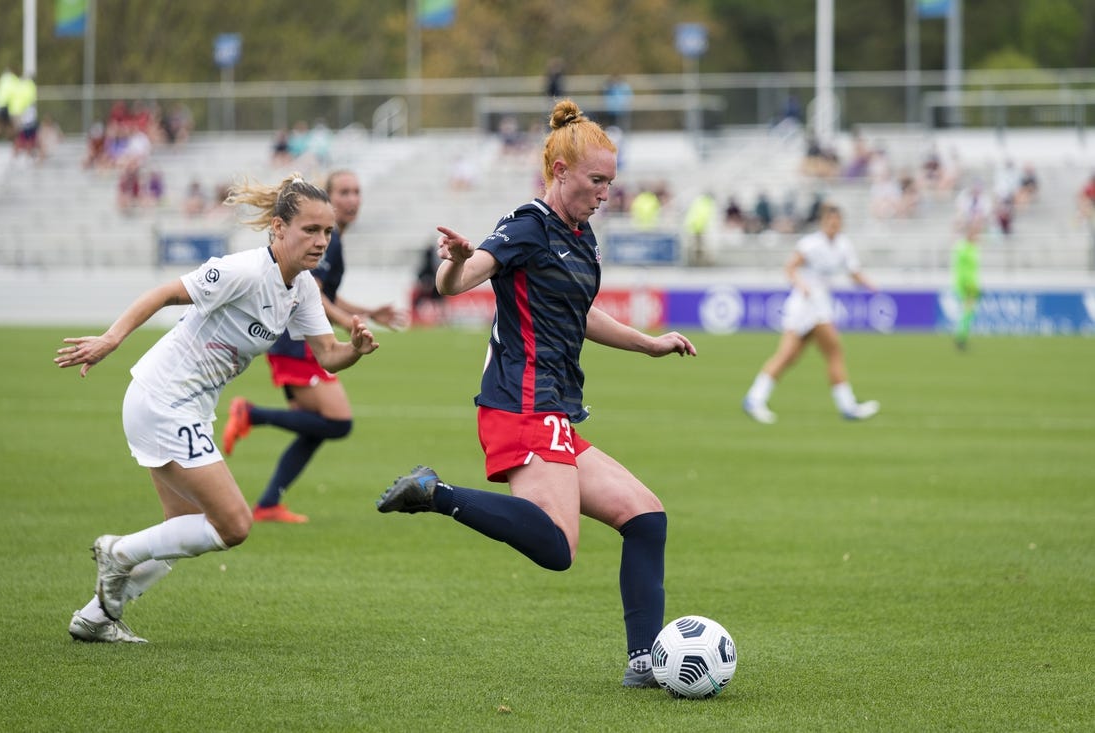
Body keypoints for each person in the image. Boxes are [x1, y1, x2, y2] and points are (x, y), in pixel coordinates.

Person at [375, 99, 697, 689]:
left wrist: (648, 344)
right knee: (557, 546)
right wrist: (453, 264)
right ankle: (435, 493)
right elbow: (460, 282)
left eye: (610, 182)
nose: (606, 193)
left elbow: (581, 313)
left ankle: (645, 662)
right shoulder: (527, 224)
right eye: (597, 181)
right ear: (560, 173)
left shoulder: (581, 235)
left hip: (554, 409)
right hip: (521, 403)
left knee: (646, 517)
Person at [55, 173, 379, 643]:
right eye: (310, 230)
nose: (321, 241)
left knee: (180, 530)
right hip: (163, 400)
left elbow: (328, 355)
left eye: (326, 232)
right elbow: (165, 293)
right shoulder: (245, 271)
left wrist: (355, 349)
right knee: (234, 525)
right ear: (278, 227)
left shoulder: (303, 287)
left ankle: (95, 616)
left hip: (184, 406)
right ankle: (118, 553)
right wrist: (111, 339)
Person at [224, 170, 406, 523]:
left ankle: (267, 503)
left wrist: (367, 312)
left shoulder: (330, 239)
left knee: (317, 427)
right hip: (297, 343)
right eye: (343, 192)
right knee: (338, 423)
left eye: (356, 192)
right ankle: (251, 414)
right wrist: (348, 323)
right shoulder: (329, 239)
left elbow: (322, 295)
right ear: (327, 199)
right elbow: (315, 296)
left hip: (295, 340)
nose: (351, 199)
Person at [742, 203, 879, 423]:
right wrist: (801, 284)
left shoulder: (843, 245)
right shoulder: (810, 244)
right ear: (822, 223)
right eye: (830, 222)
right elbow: (790, 268)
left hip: (819, 304)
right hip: (804, 305)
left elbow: (853, 272)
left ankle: (754, 397)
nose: (833, 226)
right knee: (832, 351)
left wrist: (870, 285)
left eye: (837, 222)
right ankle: (847, 406)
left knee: (790, 356)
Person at [951, 221, 981, 351]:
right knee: (968, 310)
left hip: (971, 284)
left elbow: (973, 270)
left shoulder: (973, 248)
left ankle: (962, 336)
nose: (977, 236)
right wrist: (967, 285)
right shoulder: (963, 249)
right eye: (974, 233)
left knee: (968, 311)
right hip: (965, 285)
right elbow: (961, 270)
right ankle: (961, 338)